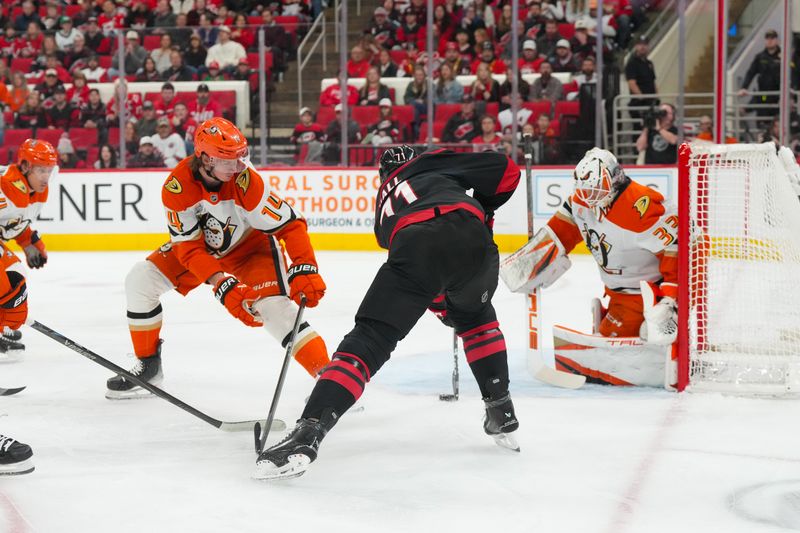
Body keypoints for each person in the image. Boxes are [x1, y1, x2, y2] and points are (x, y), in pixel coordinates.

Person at [254, 145, 522, 480]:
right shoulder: (435, 167)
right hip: (476, 243)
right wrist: (483, 205)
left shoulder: (383, 208)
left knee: (370, 340)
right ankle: (500, 408)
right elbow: (507, 169)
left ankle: (309, 432)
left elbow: (425, 271)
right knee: (478, 320)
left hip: (417, 246)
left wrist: (439, 303)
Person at [107, 118, 329, 399]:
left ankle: (330, 380)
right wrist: (221, 283)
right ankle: (149, 366)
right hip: (203, 250)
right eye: (228, 160)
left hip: (251, 248)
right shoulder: (177, 187)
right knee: (140, 280)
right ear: (204, 158)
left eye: (240, 157)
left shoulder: (246, 181)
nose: (237, 166)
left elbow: (291, 225)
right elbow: (187, 248)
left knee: (275, 310)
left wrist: (304, 266)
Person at [499, 148, 678, 384]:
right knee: (612, 338)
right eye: (584, 190)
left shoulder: (640, 208)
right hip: (617, 292)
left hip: (645, 295)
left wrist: (671, 300)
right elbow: (560, 233)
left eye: (595, 189)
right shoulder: (580, 201)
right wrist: (530, 261)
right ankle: (611, 318)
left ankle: (670, 328)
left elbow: (678, 247)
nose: (588, 197)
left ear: (615, 179)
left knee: (624, 345)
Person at [0, 139, 58, 360]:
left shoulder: (37, 191)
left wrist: (28, 243)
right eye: (41, 170)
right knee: (5, 286)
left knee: (16, 274)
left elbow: (13, 222)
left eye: (49, 170)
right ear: (25, 166)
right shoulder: (5, 186)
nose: (46, 177)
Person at [738, 29, 782, 121]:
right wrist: (744, 87)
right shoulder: (760, 57)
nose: (769, 40)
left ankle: (746, 109)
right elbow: (751, 72)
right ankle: (747, 110)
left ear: (777, 40)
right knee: (762, 108)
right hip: (764, 95)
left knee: (779, 120)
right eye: (767, 38)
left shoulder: (784, 56)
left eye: (772, 38)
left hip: (779, 96)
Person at [625, 35, 658, 126]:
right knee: (639, 131)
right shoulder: (632, 63)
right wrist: (642, 97)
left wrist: (656, 97)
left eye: (645, 44)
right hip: (639, 104)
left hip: (651, 103)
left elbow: (653, 82)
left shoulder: (649, 63)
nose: (642, 47)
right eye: (640, 44)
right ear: (636, 47)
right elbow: (632, 83)